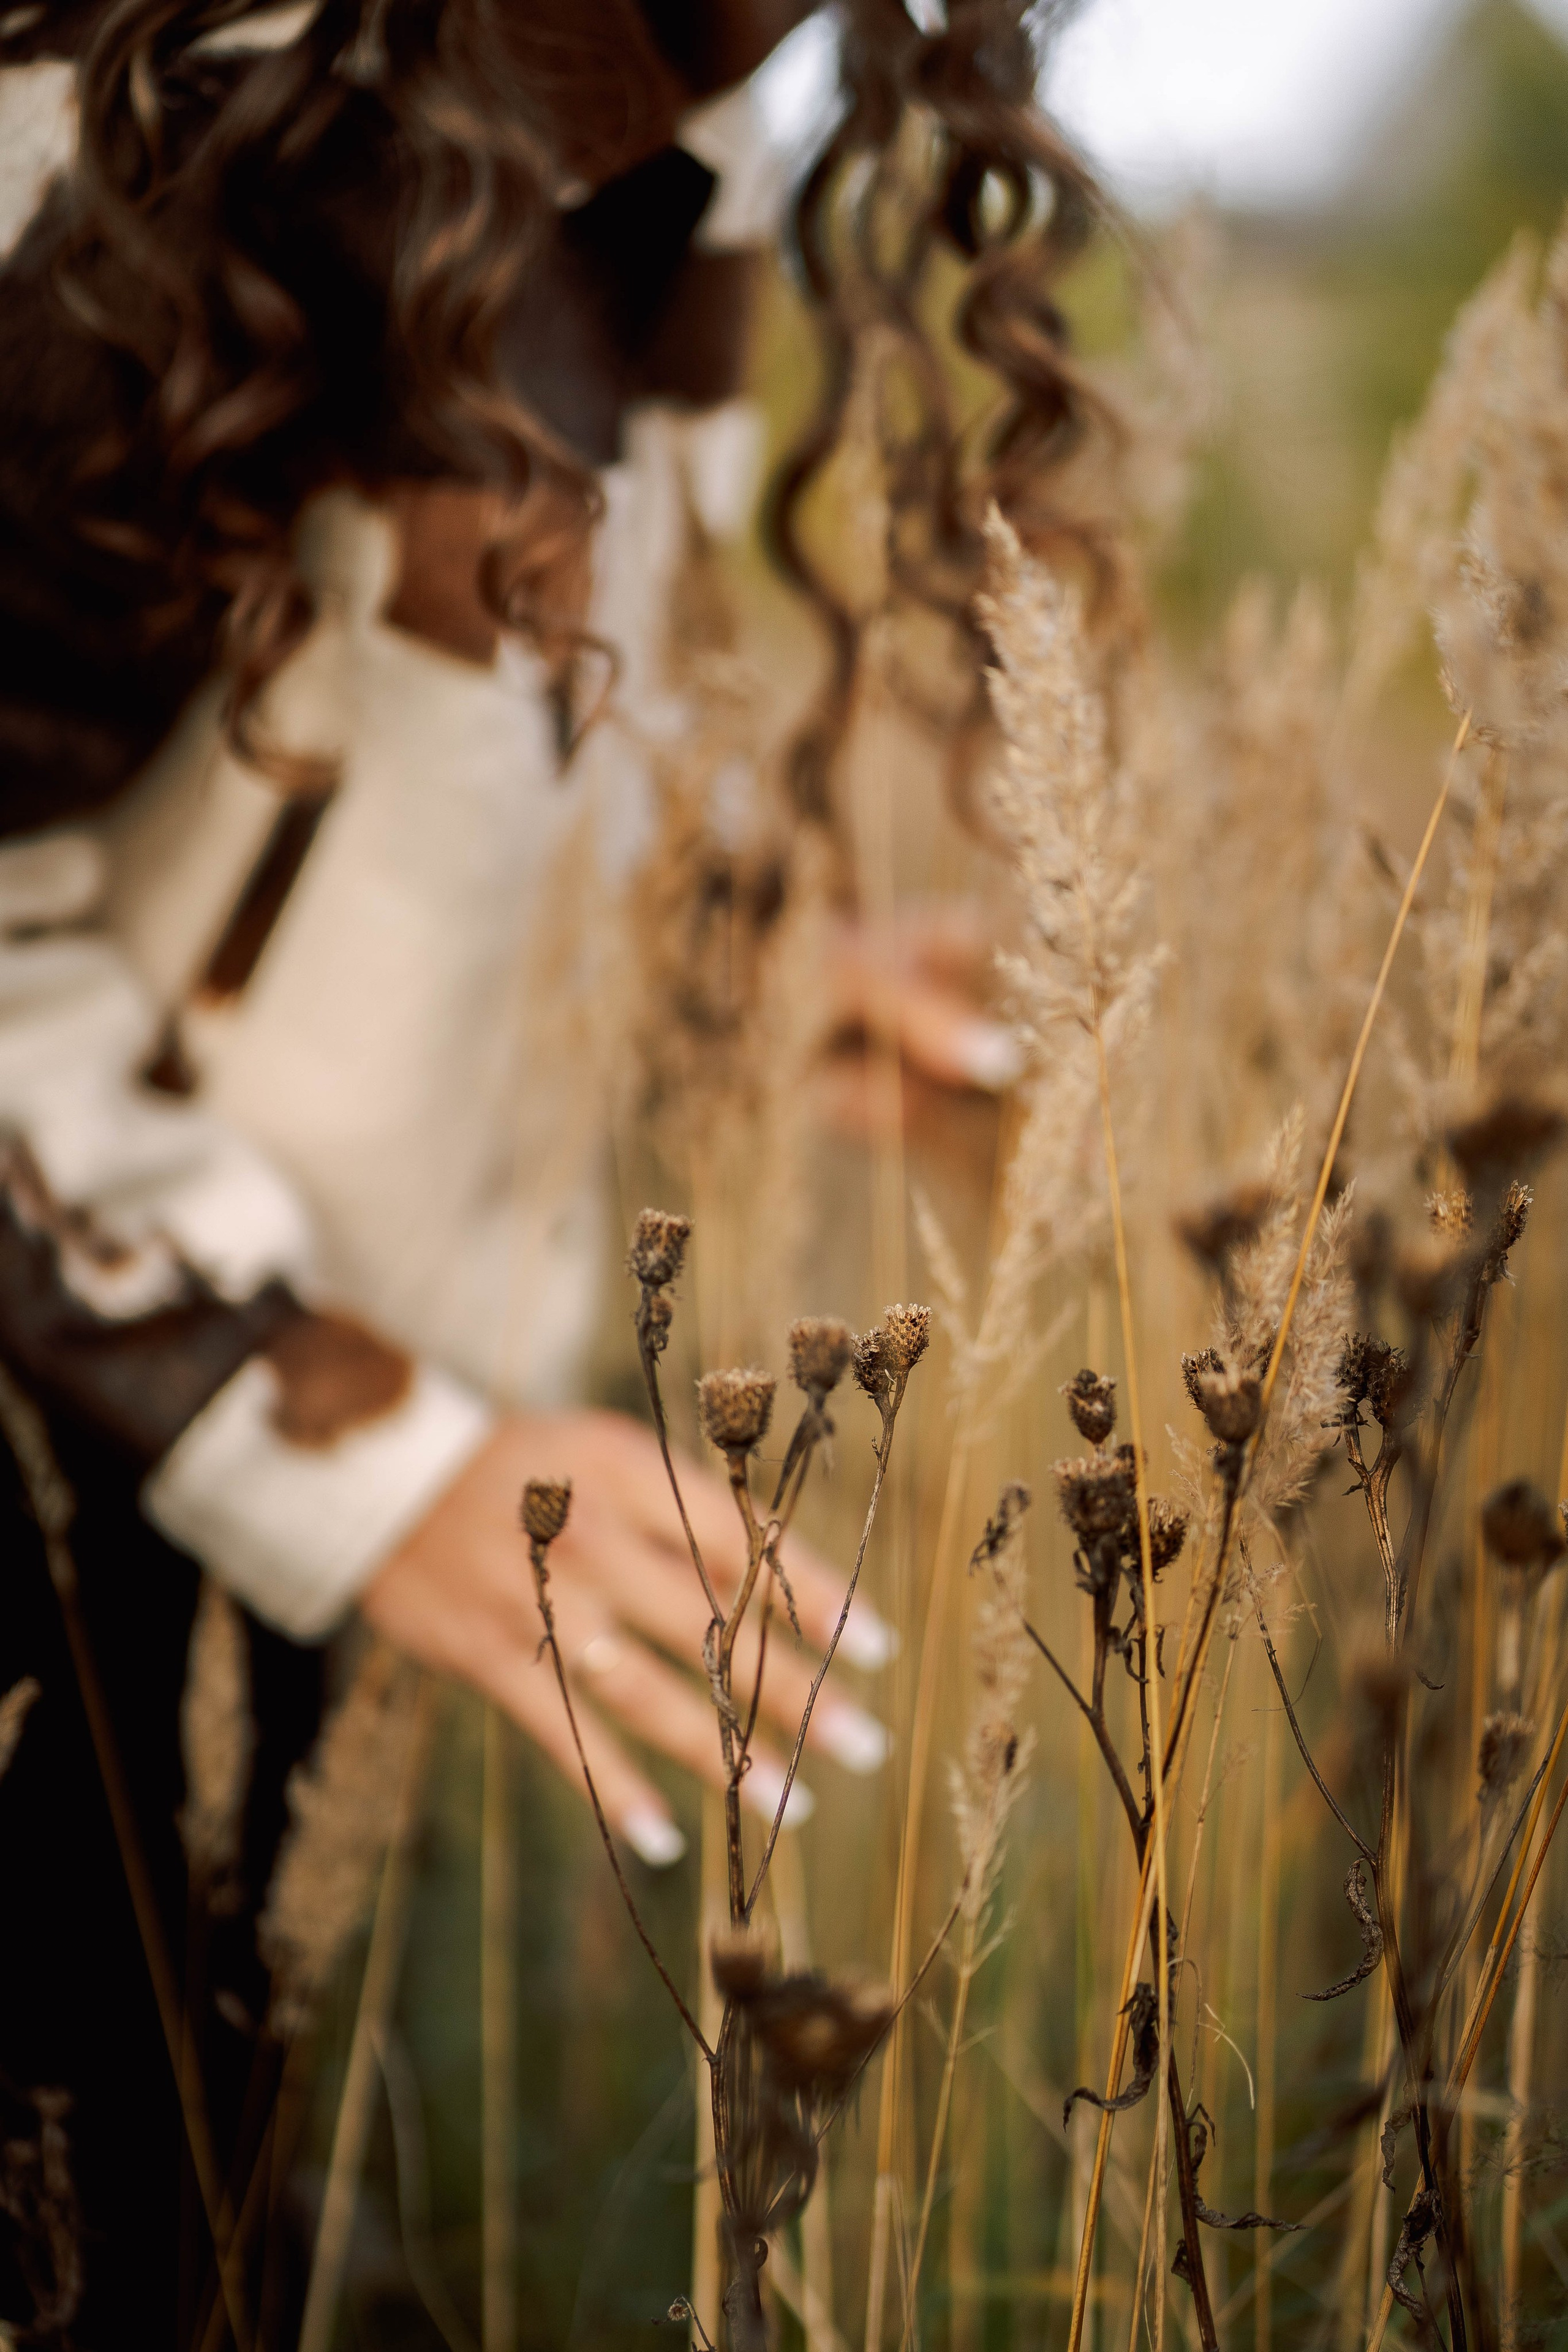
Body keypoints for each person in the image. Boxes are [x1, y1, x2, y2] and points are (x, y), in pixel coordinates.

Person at [0, 0, 1103, 2331]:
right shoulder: (169, 97)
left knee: (219, 2224)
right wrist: (327, 1432)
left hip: (325, 1495)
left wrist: (729, 951)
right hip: (79, 1458)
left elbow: (510, 709)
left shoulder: (673, 94)